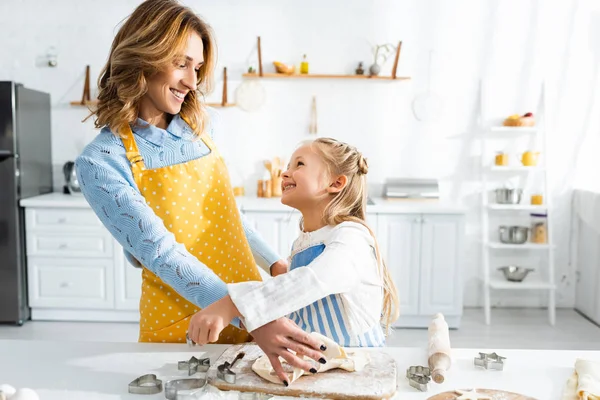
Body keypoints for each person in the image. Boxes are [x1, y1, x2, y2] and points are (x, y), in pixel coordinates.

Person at [75, 0, 324, 366]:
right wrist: (253, 316)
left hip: (250, 301)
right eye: (180, 64)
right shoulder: (101, 161)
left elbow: (227, 216)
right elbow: (160, 253)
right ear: (143, 56)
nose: (192, 82)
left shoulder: (204, 128)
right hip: (187, 321)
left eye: (197, 67)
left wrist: (274, 266)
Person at [188, 137, 400, 383]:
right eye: (288, 166)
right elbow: (295, 292)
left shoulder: (351, 239)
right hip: (318, 369)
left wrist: (233, 303)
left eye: (299, 164)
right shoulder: (304, 242)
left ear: (336, 182)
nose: (285, 172)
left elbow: (309, 282)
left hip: (359, 368)